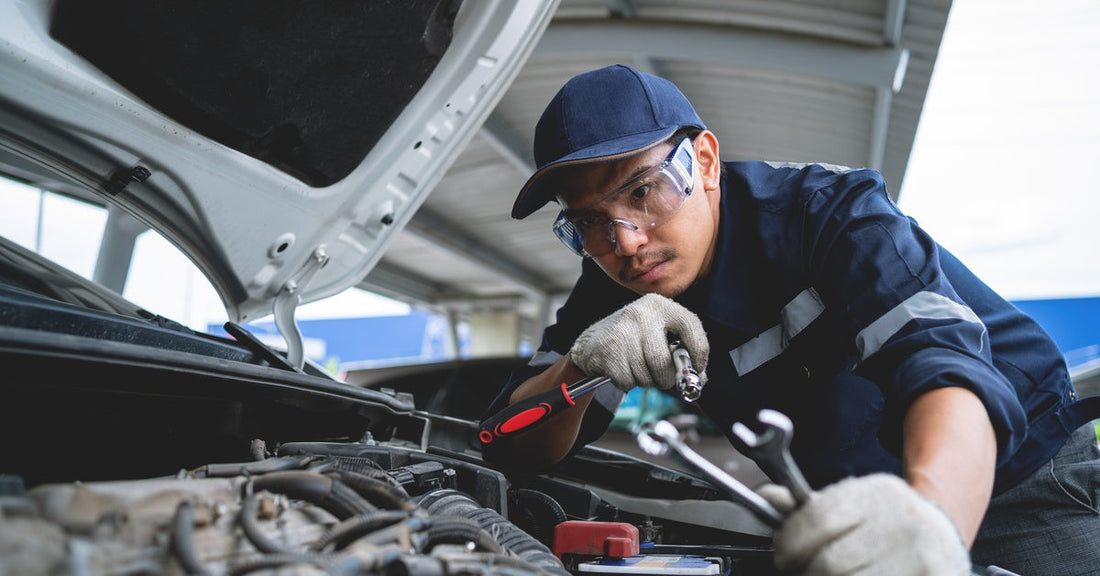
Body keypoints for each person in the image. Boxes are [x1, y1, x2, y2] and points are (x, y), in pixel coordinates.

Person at [481, 64, 1100, 575]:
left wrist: (929, 525)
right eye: (588, 220)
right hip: (850, 514)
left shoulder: (828, 215)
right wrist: (579, 365)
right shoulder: (612, 288)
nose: (626, 240)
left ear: (704, 160)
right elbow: (511, 442)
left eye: (643, 191)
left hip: (1018, 482)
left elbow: (945, 366)